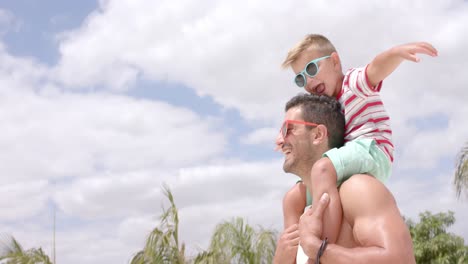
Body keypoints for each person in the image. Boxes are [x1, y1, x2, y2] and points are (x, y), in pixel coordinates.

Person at [279, 34, 438, 245]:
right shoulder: (327, 107)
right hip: (352, 156)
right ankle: (293, 248)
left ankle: (323, 246)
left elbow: (375, 69)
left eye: (311, 69)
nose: (308, 81)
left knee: (322, 169)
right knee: (296, 195)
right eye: (300, 78)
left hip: (373, 148)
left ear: (335, 62)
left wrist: (395, 53)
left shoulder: (352, 83)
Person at [273, 94, 415, 263]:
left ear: (318, 134)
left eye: (288, 129)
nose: (280, 140)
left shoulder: (358, 189)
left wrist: (319, 250)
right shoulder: (295, 203)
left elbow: (399, 259)